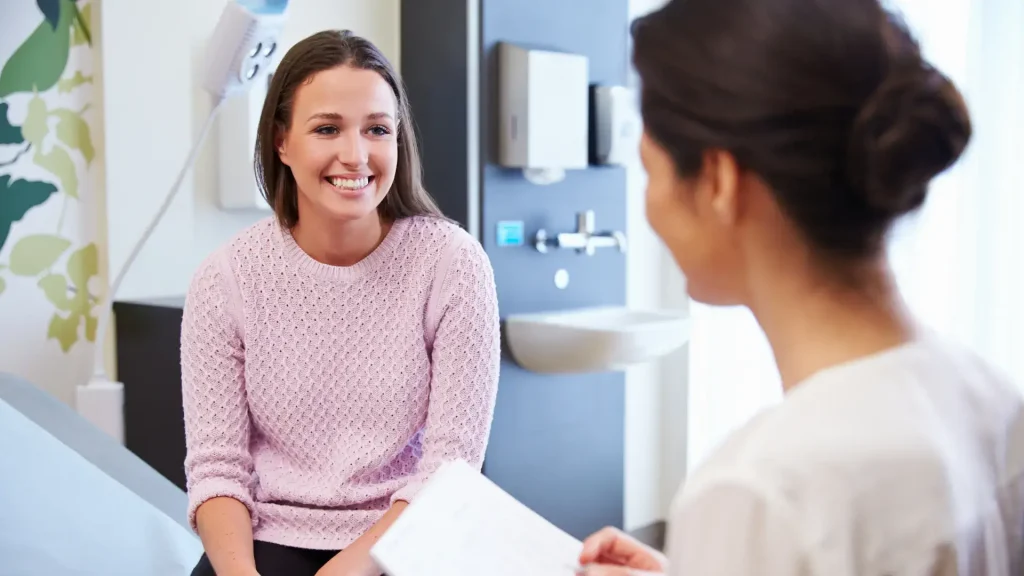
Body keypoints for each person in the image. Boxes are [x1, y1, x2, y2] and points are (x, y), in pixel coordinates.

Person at [576, 0, 1024, 575]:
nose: (649, 208)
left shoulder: (761, 487)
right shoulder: (987, 396)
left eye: (650, 171)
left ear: (717, 180)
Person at [181, 30, 501, 576]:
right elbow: (217, 469)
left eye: (377, 129)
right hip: (270, 535)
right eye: (327, 128)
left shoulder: (452, 264)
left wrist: (347, 570)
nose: (355, 154)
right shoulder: (226, 278)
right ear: (282, 142)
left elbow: (450, 470)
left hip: (410, 530)